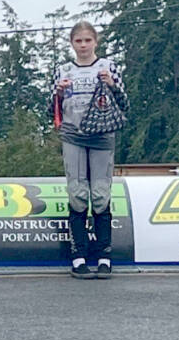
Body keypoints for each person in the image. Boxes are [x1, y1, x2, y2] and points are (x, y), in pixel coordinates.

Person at [53, 21, 128, 279]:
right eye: (78, 41)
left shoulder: (108, 67)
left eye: (88, 40)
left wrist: (113, 86)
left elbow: (124, 104)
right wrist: (58, 94)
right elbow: (52, 109)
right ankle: (78, 256)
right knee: (77, 193)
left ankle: (104, 255)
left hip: (103, 136)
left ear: (96, 42)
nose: (83, 45)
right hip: (73, 135)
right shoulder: (63, 70)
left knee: (100, 195)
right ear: (72, 44)